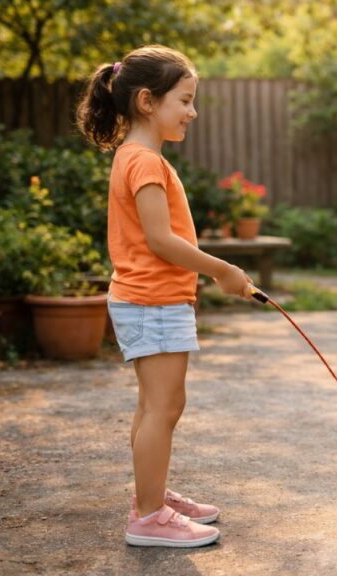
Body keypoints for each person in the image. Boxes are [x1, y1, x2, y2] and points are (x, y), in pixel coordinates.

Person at [77, 45, 253, 547]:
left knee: (155, 405)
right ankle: (149, 518)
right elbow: (160, 240)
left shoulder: (136, 158)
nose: (192, 111)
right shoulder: (144, 163)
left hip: (150, 300)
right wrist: (222, 270)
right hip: (151, 301)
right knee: (164, 407)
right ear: (148, 101)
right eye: (185, 100)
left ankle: (149, 496)